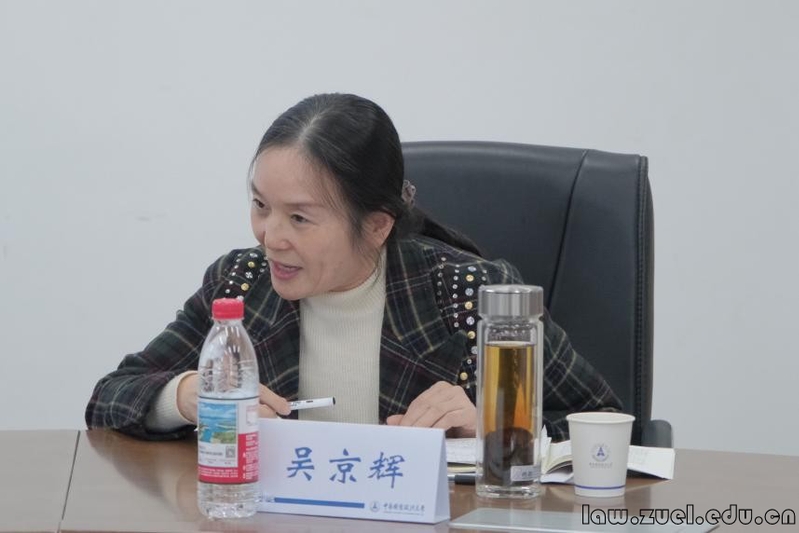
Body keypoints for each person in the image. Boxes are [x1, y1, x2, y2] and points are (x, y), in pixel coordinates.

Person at [85, 93, 621, 441]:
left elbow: (610, 425)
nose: (270, 237)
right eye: (261, 205)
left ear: (377, 226)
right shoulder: (241, 284)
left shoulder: (472, 295)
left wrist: (498, 428)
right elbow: (111, 396)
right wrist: (186, 397)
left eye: (300, 217)